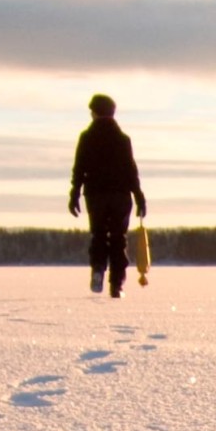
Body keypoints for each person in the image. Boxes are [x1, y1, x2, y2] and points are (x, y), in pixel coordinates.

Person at [68, 93, 147, 297]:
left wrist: (74, 193)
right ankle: (116, 284)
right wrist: (139, 196)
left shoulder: (87, 138)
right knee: (118, 238)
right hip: (120, 195)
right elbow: (131, 171)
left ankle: (97, 269)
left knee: (99, 235)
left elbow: (79, 168)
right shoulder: (123, 139)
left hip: (95, 195)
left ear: (94, 113)